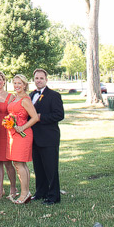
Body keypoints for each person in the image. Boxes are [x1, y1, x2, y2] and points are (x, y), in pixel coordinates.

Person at [30, 68, 64, 204]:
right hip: (35, 138)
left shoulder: (54, 95)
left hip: (49, 137)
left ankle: (54, 196)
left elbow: (59, 115)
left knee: (51, 168)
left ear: (46, 80)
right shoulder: (31, 95)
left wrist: (41, 117)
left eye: (41, 78)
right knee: (38, 168)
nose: (38, 80)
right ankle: (40, 192)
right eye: (36, 78)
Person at [6, 73, 39, 204]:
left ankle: (24, 193)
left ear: (25, 85)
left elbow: (35, 117)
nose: (17, 85)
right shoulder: (15, 98)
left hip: (22, 134)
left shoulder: (25, 100)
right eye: (15, 83)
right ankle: (26, 192)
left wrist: (22, 127)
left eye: (19, 83)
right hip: (13, 134)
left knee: (19, 164)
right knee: (19, 163)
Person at [0, 71, 18, 200]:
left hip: (6, 131)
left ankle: (13, 188)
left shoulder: (11, 97)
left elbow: (15, 113)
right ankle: (0, 189)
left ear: (4, 81)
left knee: (7, 162)